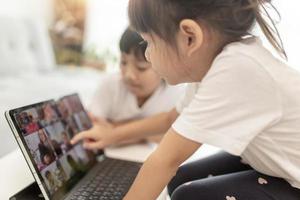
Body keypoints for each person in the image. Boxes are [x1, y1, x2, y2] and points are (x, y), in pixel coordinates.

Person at [72, 0, 300, 199]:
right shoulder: (219, 62)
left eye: (149, 43)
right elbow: (171, 118)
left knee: (189, 195)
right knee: (179, 179)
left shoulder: (237, 69)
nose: (149, 55)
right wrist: (112, 135)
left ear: (189, 37)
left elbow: (167, 159)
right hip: (278, 165)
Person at [84, 27, 183, 145]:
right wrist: (150, 132)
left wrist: (116, 128)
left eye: (141, 68)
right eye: (123, 62)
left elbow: (176, 135)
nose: (129, 75)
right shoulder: (111, 85)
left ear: (164, 65)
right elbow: (94, 130)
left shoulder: (175, 91)